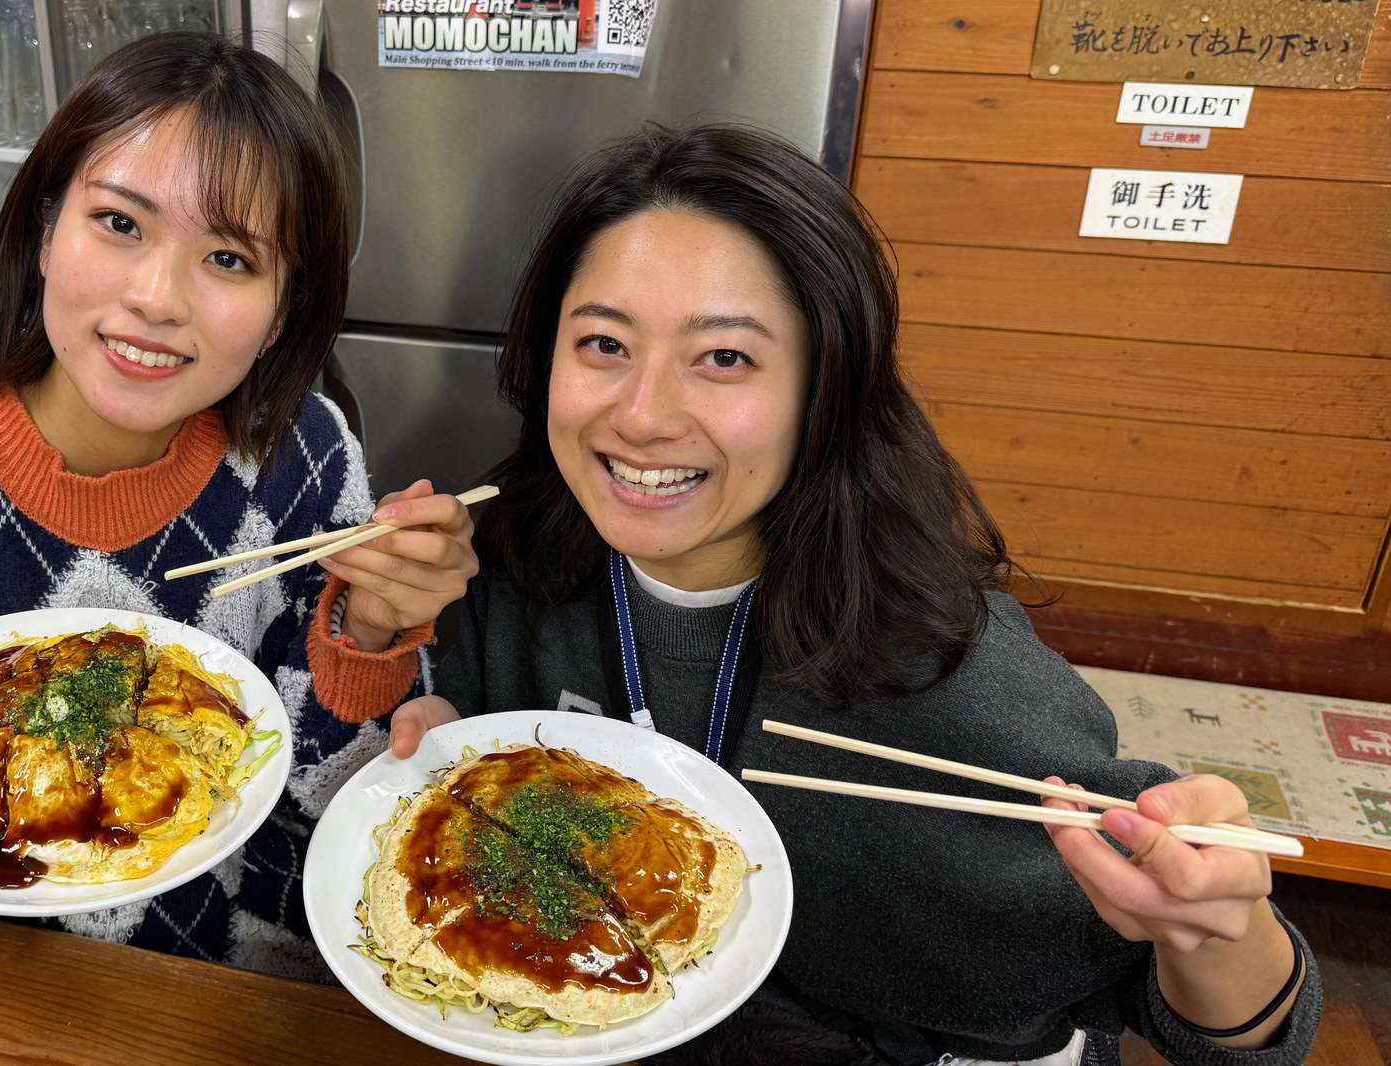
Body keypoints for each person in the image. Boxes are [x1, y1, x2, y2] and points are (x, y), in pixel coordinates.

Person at [386, 123, 1319, 1064]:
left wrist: (1220, 932)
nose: (641, 415)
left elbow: (1232, 1032)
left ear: (825, 387)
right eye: (602, 343)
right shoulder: (522, 566)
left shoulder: (946, 671)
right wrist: (417, 687)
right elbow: (449, 725)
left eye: (724, 359)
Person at [0, 32, 478, 979]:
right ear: (43, 228)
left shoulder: (302, 454)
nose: (157, 298)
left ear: (284, 308)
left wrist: (371, 635)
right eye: (121, 223)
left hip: (233, 990)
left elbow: (335, 796)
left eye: (230, 258)